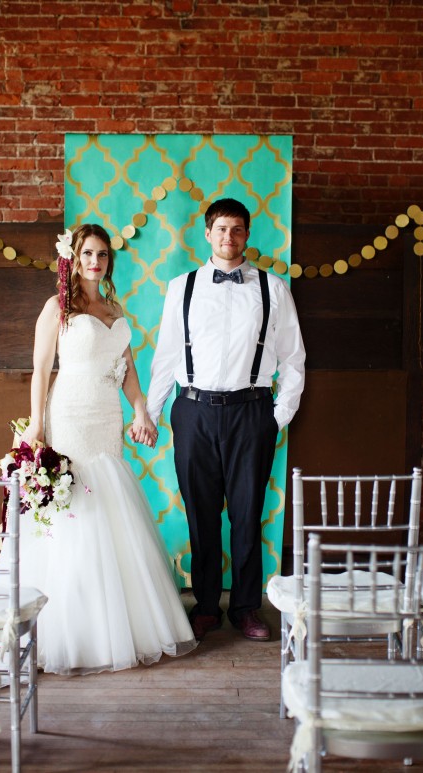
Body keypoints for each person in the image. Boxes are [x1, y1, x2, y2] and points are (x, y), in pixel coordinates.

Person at [0, 223, 197, 674]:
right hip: (69, 413)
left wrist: (142, 410)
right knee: (73, 511)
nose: (95, 261)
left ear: (109, 261)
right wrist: (37, 428)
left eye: (103, 254)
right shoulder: (58, 308)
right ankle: (66, 632)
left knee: (108, 505)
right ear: (74, 256)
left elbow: (126, 368)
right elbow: (41, 368)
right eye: (88, 253)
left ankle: (114, 629)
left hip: (108, 417)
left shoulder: (114, 307)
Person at [145, 198, 305, 642]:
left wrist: (277, 416)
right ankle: (206, 604)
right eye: (220, 229)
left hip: (251, 412)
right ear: (207, 233)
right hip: (193, 410)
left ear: (248, 236)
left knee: (247, 513)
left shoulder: (274, 289)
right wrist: (151, 412)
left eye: (236, 229)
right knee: (201, 515)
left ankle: (247, 607)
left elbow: (294, 359)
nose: (228, 237)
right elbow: (167, 355)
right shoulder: (183, 286)